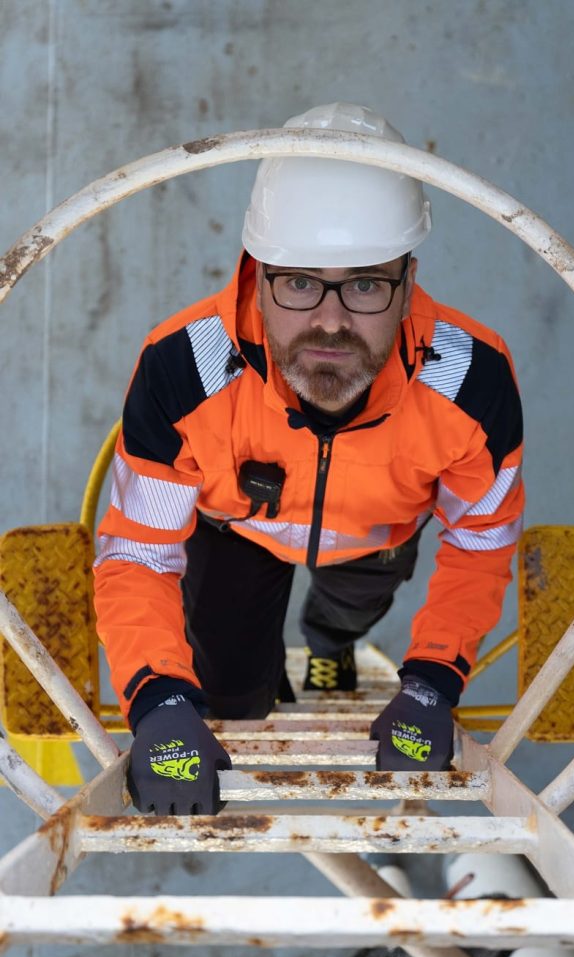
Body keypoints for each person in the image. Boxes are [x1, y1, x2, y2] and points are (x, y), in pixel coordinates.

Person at [93, 102, 524, 815]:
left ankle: (331, 641)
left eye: (363, 284)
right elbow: (139, 551)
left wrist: (430, 682)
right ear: (256, 276)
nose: (329, 321)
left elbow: (479, 542)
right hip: (235, 530)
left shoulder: (472, 382)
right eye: (298, 282)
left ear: (407, 281)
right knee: (230, 694)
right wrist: (158, 697)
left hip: (375, 535)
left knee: (347, 615)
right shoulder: (182, 367)